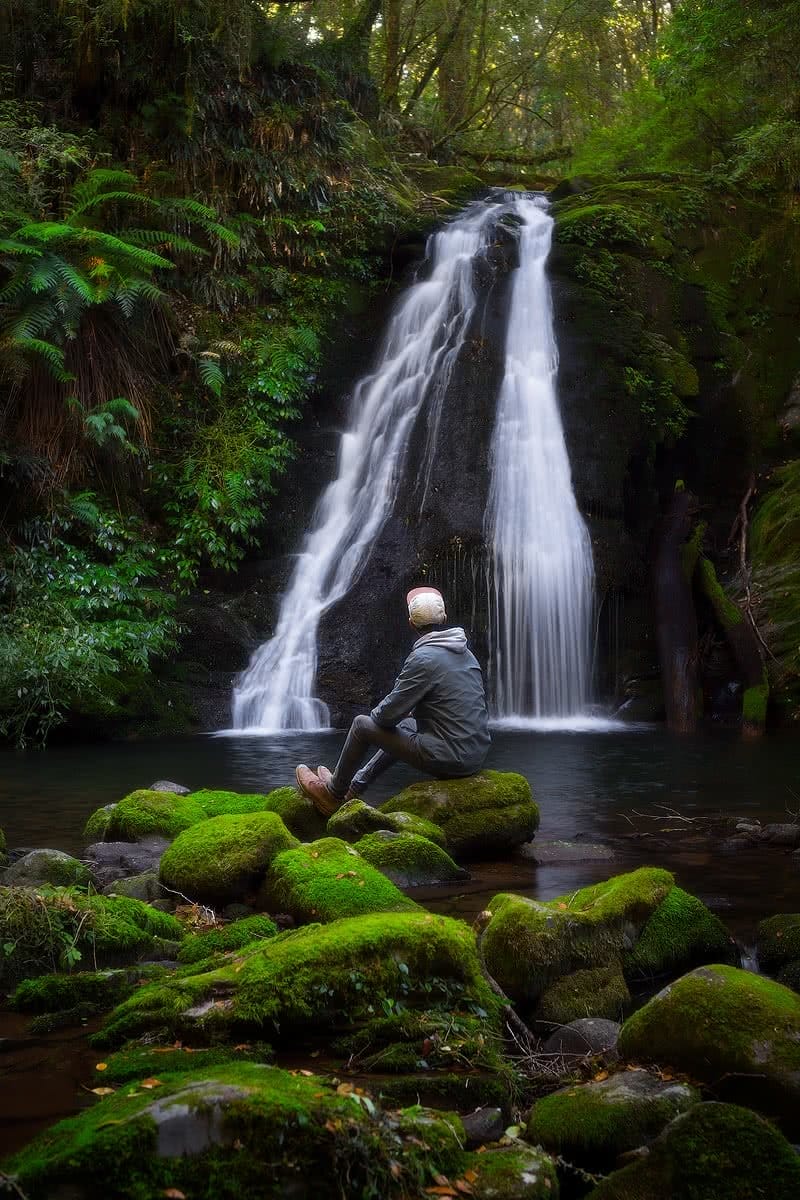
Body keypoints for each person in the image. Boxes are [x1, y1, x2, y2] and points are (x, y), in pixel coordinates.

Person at [295, 586, 491, 816]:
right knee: (406, 725)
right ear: (445, 619)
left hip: (451, 759)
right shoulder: (466, 653)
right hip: (475, 754)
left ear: (411, 623)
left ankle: (332, 793)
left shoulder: (423, 657)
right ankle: (353, 786)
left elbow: (385, 717)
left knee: (361, 725)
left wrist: (389, 713)